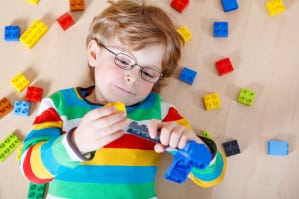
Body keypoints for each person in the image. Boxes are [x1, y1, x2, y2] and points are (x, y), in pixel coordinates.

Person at [19, 0, 226, 198]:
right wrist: (76, 143)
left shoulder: (162, 114)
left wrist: (195, 146)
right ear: (93, 53)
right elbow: (29, 169)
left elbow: (212, 177)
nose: (133, 77)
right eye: (123, 60)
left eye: (148, 73)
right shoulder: (60, 104)